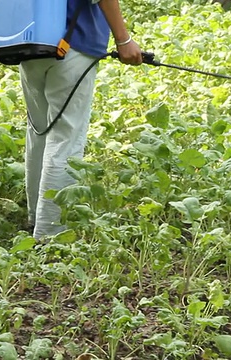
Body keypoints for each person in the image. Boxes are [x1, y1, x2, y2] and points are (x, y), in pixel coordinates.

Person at [19, 0, 142, 239]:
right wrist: (124, 40)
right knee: (65, 139)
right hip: (73, 45)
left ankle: (35, 218)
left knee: (39, 132)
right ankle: (50, 234)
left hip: (29, 44)